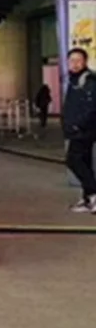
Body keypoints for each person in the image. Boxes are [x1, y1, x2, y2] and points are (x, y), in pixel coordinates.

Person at [62, 48, 96, 212]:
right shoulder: (73, 79)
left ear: (85, 62)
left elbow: (91, 107)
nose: (74, 64)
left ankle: (94, 193)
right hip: (78, 129)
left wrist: (77, 124)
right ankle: (87, 198)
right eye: (71, 61)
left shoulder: (89, 80)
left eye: (78, 60)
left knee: (73, 160)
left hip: (84, 130)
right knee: (85, 161)